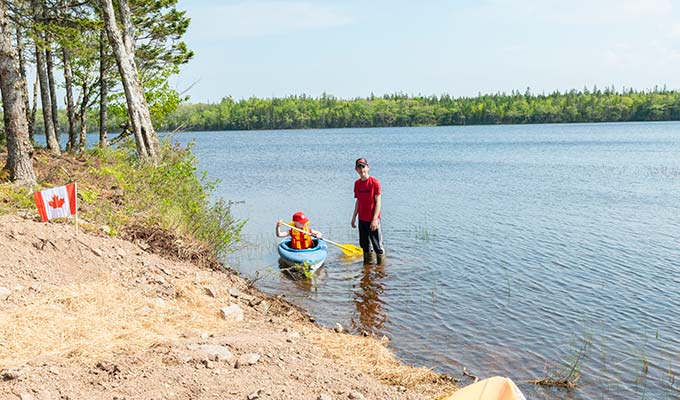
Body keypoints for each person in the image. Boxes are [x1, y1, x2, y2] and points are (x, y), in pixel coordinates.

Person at [351, 158, 385, 264]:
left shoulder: (374, 182)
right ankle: (367, 269)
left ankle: (381, 270)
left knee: (377, 246)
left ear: (368, 167)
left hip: (373, 219)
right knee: (364, 246)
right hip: (362, 219)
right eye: (359, 167)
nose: (362, 170)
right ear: (356, 169)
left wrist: (375, 220)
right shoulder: (357, 183)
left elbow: (378, 202)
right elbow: (358, 201)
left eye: (363, 167)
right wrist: (353, 217)